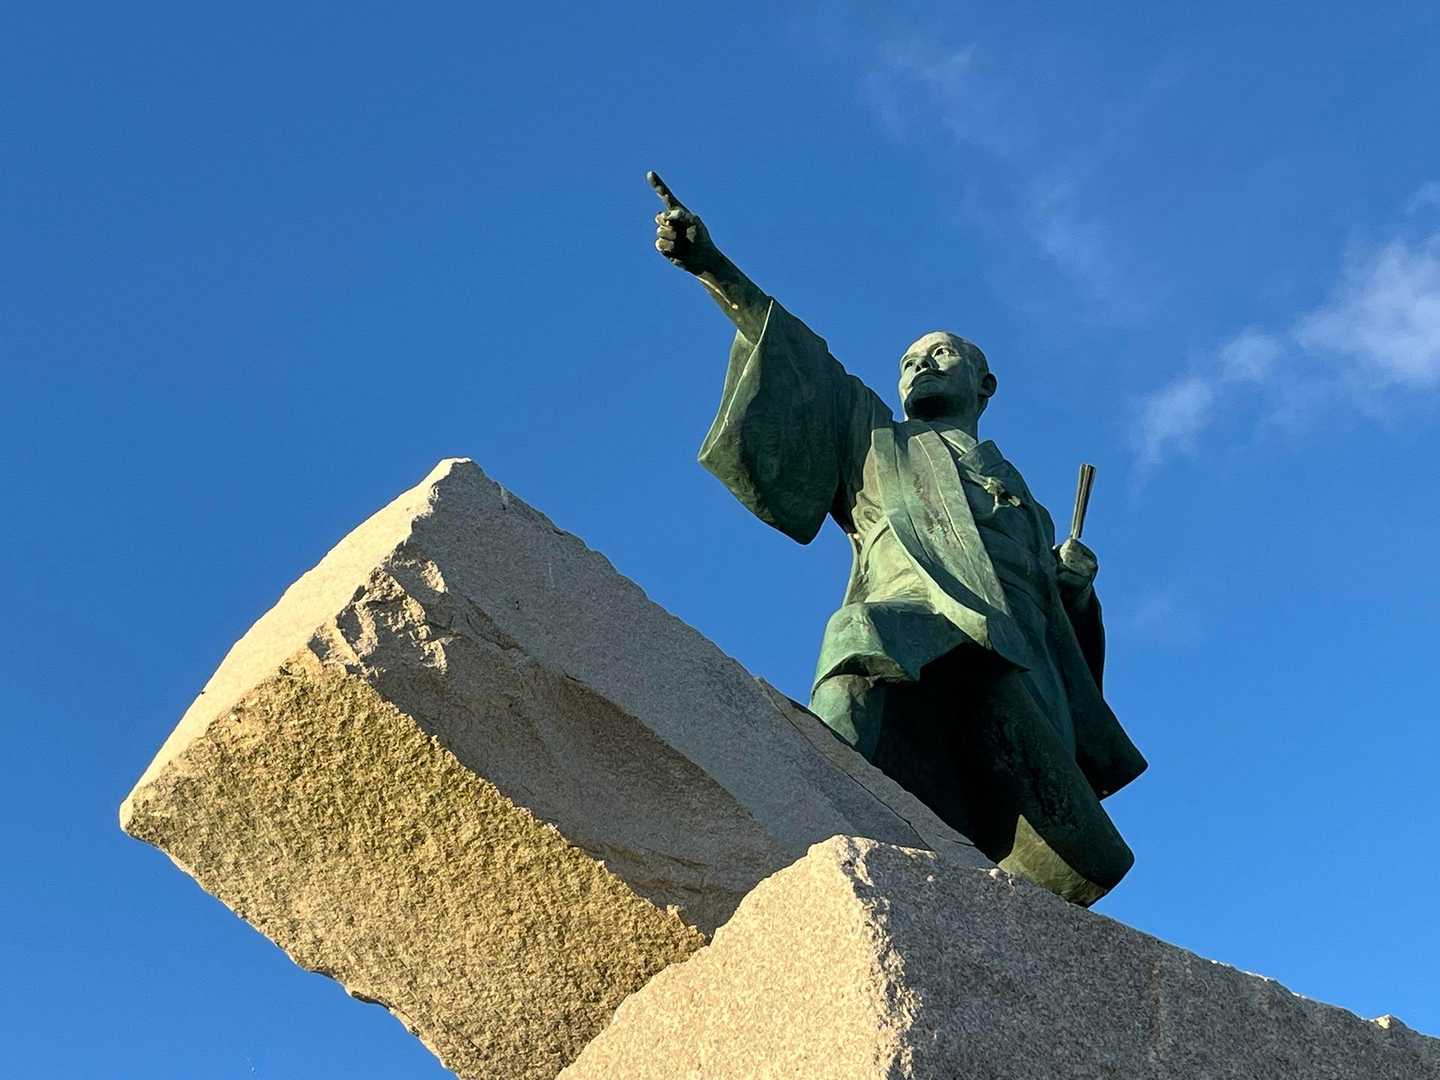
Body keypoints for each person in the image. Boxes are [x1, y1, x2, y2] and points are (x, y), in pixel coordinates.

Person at [648, 172, 1146, 904]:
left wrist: (1074, 587)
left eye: (940, 355)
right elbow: (802, 359)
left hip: (1011, 659)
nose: (919, 366)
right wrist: (713, 267)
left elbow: (1059, 628)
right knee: (861, 630)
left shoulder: (1031, 509)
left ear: (985, 384)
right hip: (926, 624)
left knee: (1066, 856)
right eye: (909, 361)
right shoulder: (878, 438)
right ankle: (812, 800)